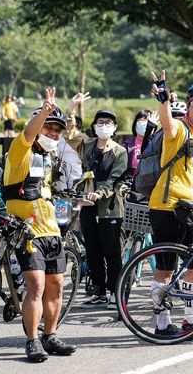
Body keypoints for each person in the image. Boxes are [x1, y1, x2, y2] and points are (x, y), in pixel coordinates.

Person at [3, 88, 75, 362]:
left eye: (58, 130)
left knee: (57, 285)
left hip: (51, 230)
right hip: (27, 231)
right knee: (36, 286)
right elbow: (29, 134)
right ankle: (32, 340)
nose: (54, 134)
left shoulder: (48, 158)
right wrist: (44, 111)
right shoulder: (20, 151)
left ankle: (50, 335)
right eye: (50, 128)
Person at [148, 73, 193, 336]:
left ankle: (192, 320)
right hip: (167, 207)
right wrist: (163, 100)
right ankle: (161, 325)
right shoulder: (179, 130)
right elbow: (167, 124)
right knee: (165, 269)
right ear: (189, 105)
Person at [65, 98, 129, 308]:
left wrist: (100, 193)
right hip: (87, 203)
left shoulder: (120, 151)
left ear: (115, 127)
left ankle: (115, 293)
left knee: (111, 252)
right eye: (100, 122)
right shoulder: (88, 145)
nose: (103, 126)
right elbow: (70, 134)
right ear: (94, 126)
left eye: (108, 123)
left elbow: (115, 179)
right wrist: (71, 108)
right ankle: (99, 291)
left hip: (110, 207)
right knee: (92, 250)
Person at [122, 110, 154, 178]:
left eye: (148, 121)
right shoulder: (127, 145)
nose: (145, 124)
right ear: (135, 124)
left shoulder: (157, 143)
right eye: (141, 120)